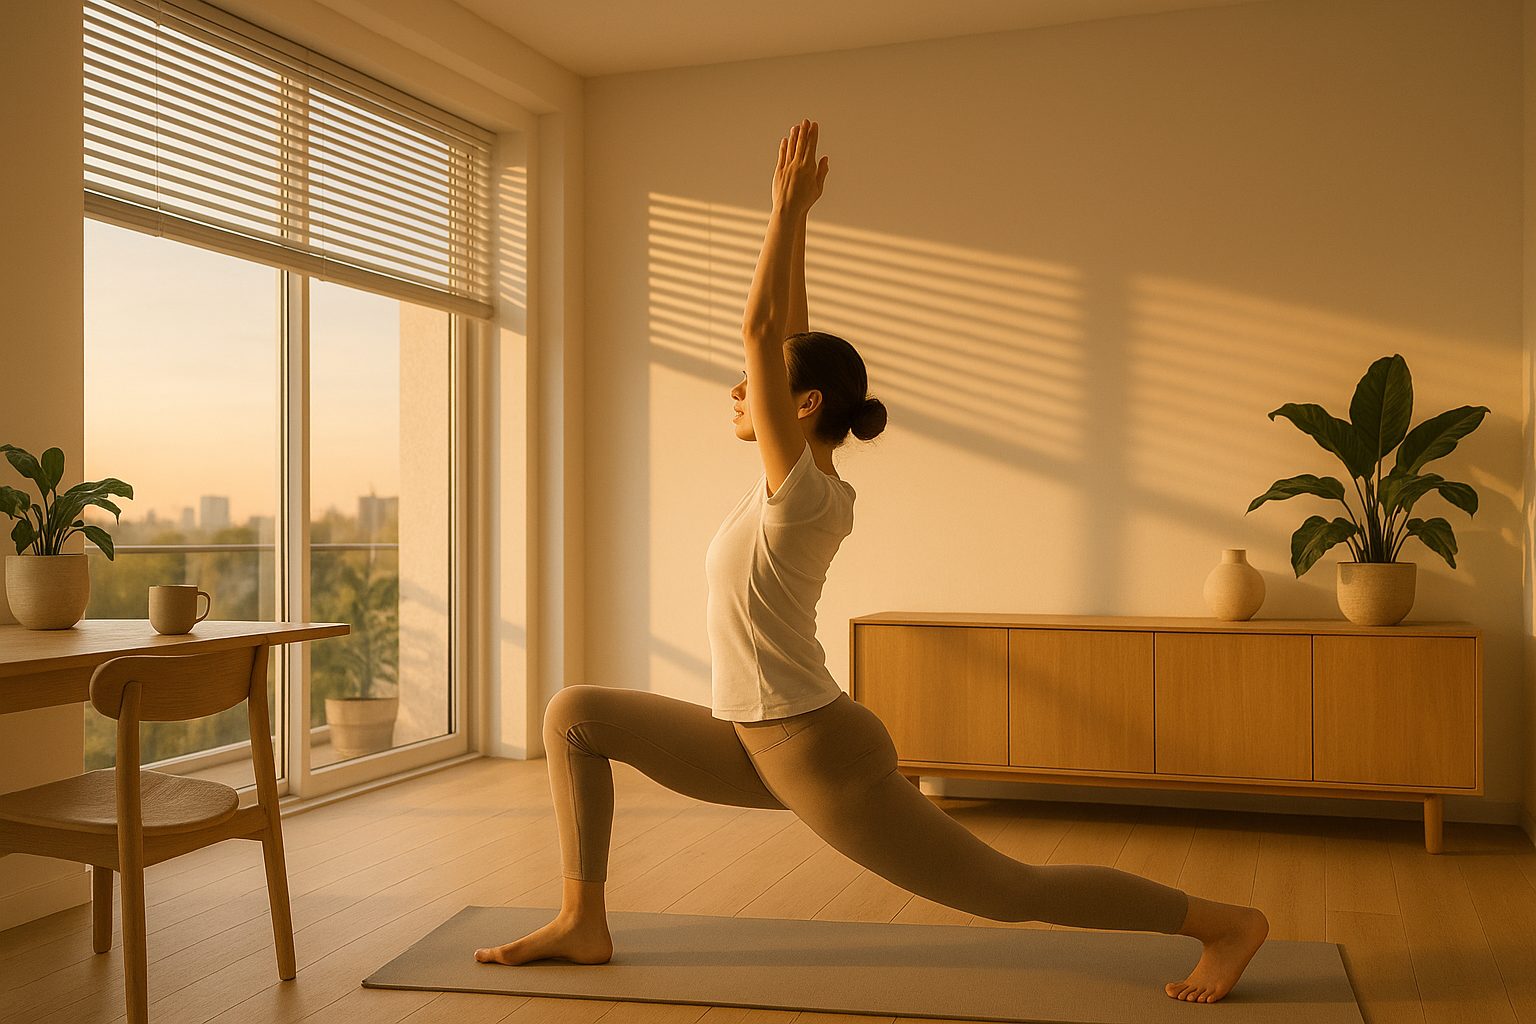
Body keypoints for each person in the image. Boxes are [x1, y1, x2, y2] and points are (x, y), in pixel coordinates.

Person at [474, 119, 1270, 1005]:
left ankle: (1223, 923)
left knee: (1010, 892)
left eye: (763, 385)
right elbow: (786, 331)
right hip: (749, 735)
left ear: (803, 404)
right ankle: (584, 920)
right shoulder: (791, 480)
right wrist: (802, 223)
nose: (740, 391)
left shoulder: (805, 494)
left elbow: (760, 329)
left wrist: (778, 212)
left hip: (815, 751)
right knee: (575, 714)